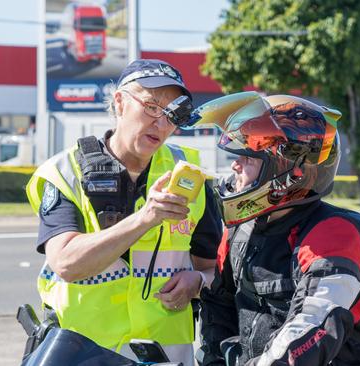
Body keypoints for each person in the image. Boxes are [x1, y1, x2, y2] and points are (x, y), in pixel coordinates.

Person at [25, 59, 222, 365]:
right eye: (152, 107)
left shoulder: (191, 177)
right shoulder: (65, 171)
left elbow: (215, 270)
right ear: (119, 102)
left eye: (173, 114)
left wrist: (197, 281)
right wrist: (146, 218)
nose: (162, 123)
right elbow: (66, 262)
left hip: (164, 354)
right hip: (82, 351)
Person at [195, 92, 360, 366]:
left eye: (248, 157)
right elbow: (218, 306)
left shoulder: (332, 233)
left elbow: (313, 324)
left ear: (287, 170)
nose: (235, 165)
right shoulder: (239, 232)